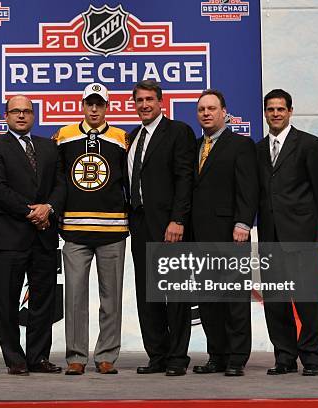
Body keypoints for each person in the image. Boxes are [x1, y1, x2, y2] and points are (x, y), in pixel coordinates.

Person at [0, 94, 66, 375]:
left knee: (43, 301)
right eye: (15, 111)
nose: (21, 116)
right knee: (6, 301)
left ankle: (38, 357)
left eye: (26, 111)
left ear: (33, 116)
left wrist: (49, 208)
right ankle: (15, 359)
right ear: (6, 116)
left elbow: (60, 184)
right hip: (8, 237)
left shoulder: (49, 147)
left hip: (44, 237)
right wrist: (33, 213)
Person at [52, 83, 128, 375]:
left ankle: (107, 354)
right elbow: (58, 181)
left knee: (112, 297)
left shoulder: (122, 138)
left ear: (107, 106)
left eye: (99, 104)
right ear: (82, 105)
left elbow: (129, 183)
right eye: (89, 103)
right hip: (73, 228)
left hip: (112, 231)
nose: (94, 109)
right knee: (74, 297)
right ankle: (76, 356)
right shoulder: (64, 136)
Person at [257, 89, 318, 376]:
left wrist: (314, 231)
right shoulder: (258, 149)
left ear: (290, 111)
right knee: (275, 302)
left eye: (280, 109)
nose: (275, 114)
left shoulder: (310, 144)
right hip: (270, 237)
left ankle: (311, 358)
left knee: (308, 300)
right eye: (270, 109)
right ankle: (285, 357)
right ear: (265, 113)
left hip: (301, 237)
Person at [125, 80, 196, 376]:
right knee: (147, 293)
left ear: (160, 102)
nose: (144, 105)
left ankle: (178, 357)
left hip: (170, 226)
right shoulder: (132, 136)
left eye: (149, 100)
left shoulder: (178, 131)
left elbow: (185, 178)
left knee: (175, 293)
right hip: (139, 225)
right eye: (139, 100)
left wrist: (178, 219)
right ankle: (157, 355)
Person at [189, 89, 258, 377]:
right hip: (200, 235)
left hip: (231, 235)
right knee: (208, 301)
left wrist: (243, 223)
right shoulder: (193, 147)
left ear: (224, 112)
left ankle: (237, 357)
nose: (206, 113)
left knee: (234, 300)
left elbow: (249, 188)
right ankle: (216, 354)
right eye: (202, 109)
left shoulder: (240, 145)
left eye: (212, 108)